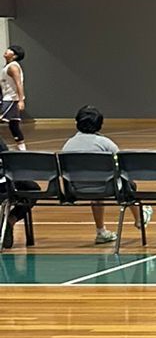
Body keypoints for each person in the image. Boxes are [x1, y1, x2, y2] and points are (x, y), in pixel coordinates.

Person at [59, 105, 119, 245]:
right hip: (105, 188)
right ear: (99, 125)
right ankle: (139, 219)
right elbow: (120, 164)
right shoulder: (106, 143)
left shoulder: (68, 144)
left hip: (75, 189)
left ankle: (100, 231)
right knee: (128, 184)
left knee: (96, 189)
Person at [1, 46, 24, 147]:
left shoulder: (13, 67)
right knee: (14, 125)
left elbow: (19, 83)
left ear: (14, 56)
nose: (7, 51)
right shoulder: (7, 67)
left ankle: (2, 150)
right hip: (8, 98)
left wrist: (20, 100)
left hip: (11, 99)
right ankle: (23, 150)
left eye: (11, 50)